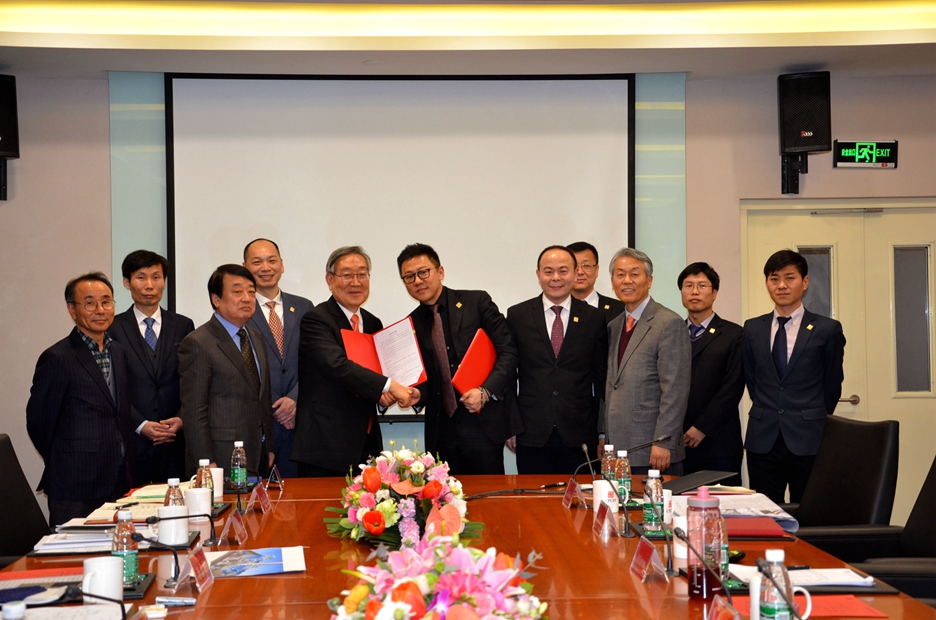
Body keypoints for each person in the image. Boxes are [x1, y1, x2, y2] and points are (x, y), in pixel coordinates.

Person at [292, 246, 418, 477]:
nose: (356, 282)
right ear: (330, 280)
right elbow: (338, 366)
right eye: (347, 275)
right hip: (325, 446)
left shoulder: (372, 323)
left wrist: (384, 395)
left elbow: (373, 376)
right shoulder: (316, 319)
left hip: (366, 442)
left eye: (362, 274)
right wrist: (390, 386)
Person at [398, 243, 520, 475]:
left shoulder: (477, 302)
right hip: (441, 430)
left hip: (482, 424)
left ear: (440, 271)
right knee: (443, 496)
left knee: (487, 495)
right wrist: (418, 393)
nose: (417, 281)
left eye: (423, 272)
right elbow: (426, 378)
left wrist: (485, 392)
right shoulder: (410, 324)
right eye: (409, 277)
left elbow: (509, 352)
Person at [27, 273, 136, 527]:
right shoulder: (57, 357)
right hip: (74, 486)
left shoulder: (119, 352)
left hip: (117, 481)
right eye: (89, 303)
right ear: (72, 309)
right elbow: (39, 422)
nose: (100, 310)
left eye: (106, 302)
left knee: (117, 548)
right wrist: (69, 458)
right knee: (73, 551)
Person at [743, 249, 846, 504]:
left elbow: (832, 384)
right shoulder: (753, 328)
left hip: (809, 438)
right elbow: (752, 379)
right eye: (774, 279)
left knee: (810, 512)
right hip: (763, 439)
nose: (781, 285)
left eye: (789, 278)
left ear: (805, 282)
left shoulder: (826, 329)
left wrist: (812, 415)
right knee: (765, 513)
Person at [506, 245, 607, 474]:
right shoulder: (518, 315)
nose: (556, 278)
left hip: (580, 432)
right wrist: (511, 425)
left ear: (575, 272)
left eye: (563, 270)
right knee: (533, 496)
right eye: (548, 271)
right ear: (538, 274)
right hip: (531, 432)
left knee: (581, 495)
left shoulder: (594, 318)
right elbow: (509, 376)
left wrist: (602, 431)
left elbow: (601, 378)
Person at [178, 264, 275, 478]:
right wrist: (205, 462)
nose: (247, 298)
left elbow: (262, 397)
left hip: (258, 454)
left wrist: (269, 446)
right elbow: (194, 412)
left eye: (251, 292)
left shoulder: (256, 337)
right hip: (220, 457)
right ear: (216, 299)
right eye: (237, 291)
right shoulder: (198, 342)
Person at [602, 247, 691, 475]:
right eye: (620, 275)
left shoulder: (668, 323)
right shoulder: (614, 326)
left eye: (634, 274)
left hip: (653, 449)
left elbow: (675, 390)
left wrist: (663, 441)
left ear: (649, 280)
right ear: (612, 282)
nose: (627, 281)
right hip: (618, 450)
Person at [110, 250, 195, 486]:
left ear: (164, 282)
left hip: (176, 441)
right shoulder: (112, 328)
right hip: (133, 440)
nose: (149, 285)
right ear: (127, 282)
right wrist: (140, 424)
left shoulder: (183, 325)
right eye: (141, 277)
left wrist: (181, 418)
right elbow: (111, 386)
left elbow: (192, 380)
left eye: (156, 277)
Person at [243, 238, 314, 478]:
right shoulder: (240, 310)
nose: (266, 268)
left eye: (271, 260)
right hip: (259, 423)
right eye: (257, 262)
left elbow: (315, 361)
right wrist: (274, 405)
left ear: (281, 265)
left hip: (300, 420)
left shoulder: (304, 306)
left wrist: (295, 398)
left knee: (300, 493)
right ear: (245, 267)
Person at [678, 262, 745, 486]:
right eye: (689, 286)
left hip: (719, 443)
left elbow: (733, 387)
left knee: (724, 504)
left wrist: (702, 428)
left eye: (702, 286)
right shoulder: (671, 332)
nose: (695, 292)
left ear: (714, 293)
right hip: (679, 444)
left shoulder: (734, 334)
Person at [567, 241, 625, 324]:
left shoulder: (620, 309)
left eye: (586, 265)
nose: (580, 272)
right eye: (574, 266)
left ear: (597, 270)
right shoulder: (557, 310)